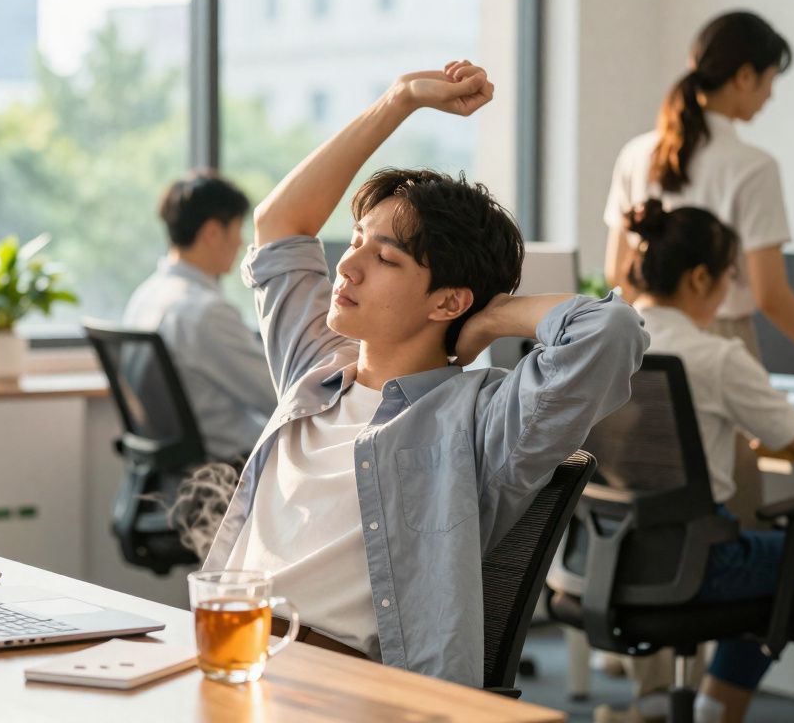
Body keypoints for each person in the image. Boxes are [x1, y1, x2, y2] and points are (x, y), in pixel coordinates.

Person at [199, 61, 647, 686]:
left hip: (339, 682)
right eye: (354, 241)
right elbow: (280, 226)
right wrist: (400, 99)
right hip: (232, 654)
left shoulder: (481, 423)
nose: (347, 267)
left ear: (447, 301)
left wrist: (491, 321)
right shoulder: (317, 367)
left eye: (384, 257)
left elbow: (613, 333)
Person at [602, 11, 794, 525]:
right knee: (733, 512)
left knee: (652, 507)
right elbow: (770, 296)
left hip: (641, 342)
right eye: (769, 82)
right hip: (720, 339)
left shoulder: (636, 154)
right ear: (744, 76)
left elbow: (617, 272)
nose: (769, 97)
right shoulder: (753, 166)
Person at [623, 200, 794, 723]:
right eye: (730, 278)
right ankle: (717, 706)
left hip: (607, 558)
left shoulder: (596, 342)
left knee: (764, 556)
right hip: (699, 564)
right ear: (699, 278)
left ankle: (713, 707)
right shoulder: (715, 356)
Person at [123, 170, 277, 462]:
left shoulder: (145, 296)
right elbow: (278, 398)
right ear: (212, 233)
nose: (242, 242)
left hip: (176, 471)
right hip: (229, 466)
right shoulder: (204, 312)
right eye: (237, 229)